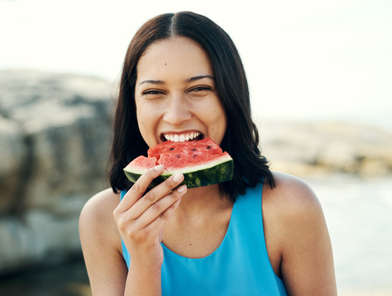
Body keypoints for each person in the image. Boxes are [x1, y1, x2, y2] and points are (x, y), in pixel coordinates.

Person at [79, 11, 337, 295]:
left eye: (199, 88)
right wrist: (143, 260)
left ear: (230, 97)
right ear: (133, 104)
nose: (176, 116)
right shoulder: (102, 219)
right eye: (154, 92)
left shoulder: (290, 207)